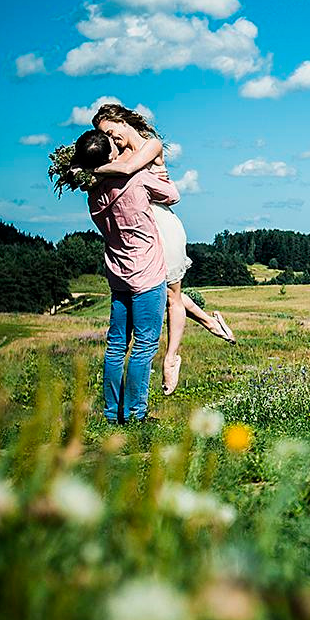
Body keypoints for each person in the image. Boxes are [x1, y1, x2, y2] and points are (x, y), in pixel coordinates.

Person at [90, 103, 235, 396]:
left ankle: (171, 358)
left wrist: (89, 168)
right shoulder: (114, 156)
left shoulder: (149, 145)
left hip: (161, 224)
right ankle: (210, 322)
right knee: (166, 294)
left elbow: (130, 171)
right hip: (137, 229)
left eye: (110, 131)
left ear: (122, 120)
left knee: (170, 296)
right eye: (103, 136)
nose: (110, 139)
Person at [70, 130, 175, 424]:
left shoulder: (91, 193)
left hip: (117, 274)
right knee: (144, 345)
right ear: (110, 155)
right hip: (147, 273)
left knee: (116, 346)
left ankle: (111, 413)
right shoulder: (135, 179)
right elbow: (173, 195)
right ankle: (135, 413)